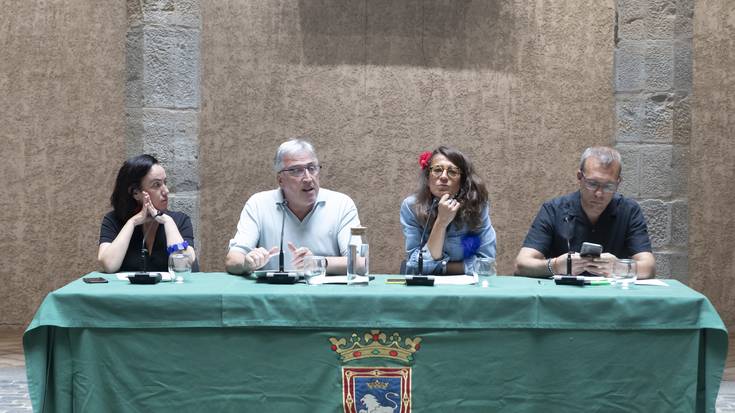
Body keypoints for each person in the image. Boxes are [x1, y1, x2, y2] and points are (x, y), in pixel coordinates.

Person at [514, 146, 655, 278]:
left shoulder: (629, 211)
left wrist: (619, 267)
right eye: (592, 184)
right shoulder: (553, 210)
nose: (599, 193)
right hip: (562, 293)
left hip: (613, 294)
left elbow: (649, 268)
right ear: (579, 177)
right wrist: (555, 266)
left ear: (618, 182)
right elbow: (521, 265)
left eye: (609, 186)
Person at [225, 138, 360, 274]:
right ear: (280, 180)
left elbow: (359, 263)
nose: (308, 178)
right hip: (273, 288)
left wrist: (317, 263)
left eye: (312, 168)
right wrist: (247, 263)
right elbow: (232, 260)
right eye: (296, 171)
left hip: (321, 287)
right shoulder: (258, 204)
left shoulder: (341, 204)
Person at [400, 146, 497, 275]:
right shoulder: (411, 206)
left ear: (462, 181)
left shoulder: (477, 206)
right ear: (428, 178)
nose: (444, 177)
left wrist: (440, 268)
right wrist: (441, 222)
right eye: (437, 170)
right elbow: (415, 267)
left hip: (467, 286)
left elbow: (487, 265)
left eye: (452, 172)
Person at [98, 154, 197, 273]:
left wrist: (168, 221)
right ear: (136, 193)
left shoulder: (180, 220)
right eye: (156, 185)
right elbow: (109, 265)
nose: (166, 191)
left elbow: (183, 266)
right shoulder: (113, 220)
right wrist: (133, 222)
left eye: (165, 182)